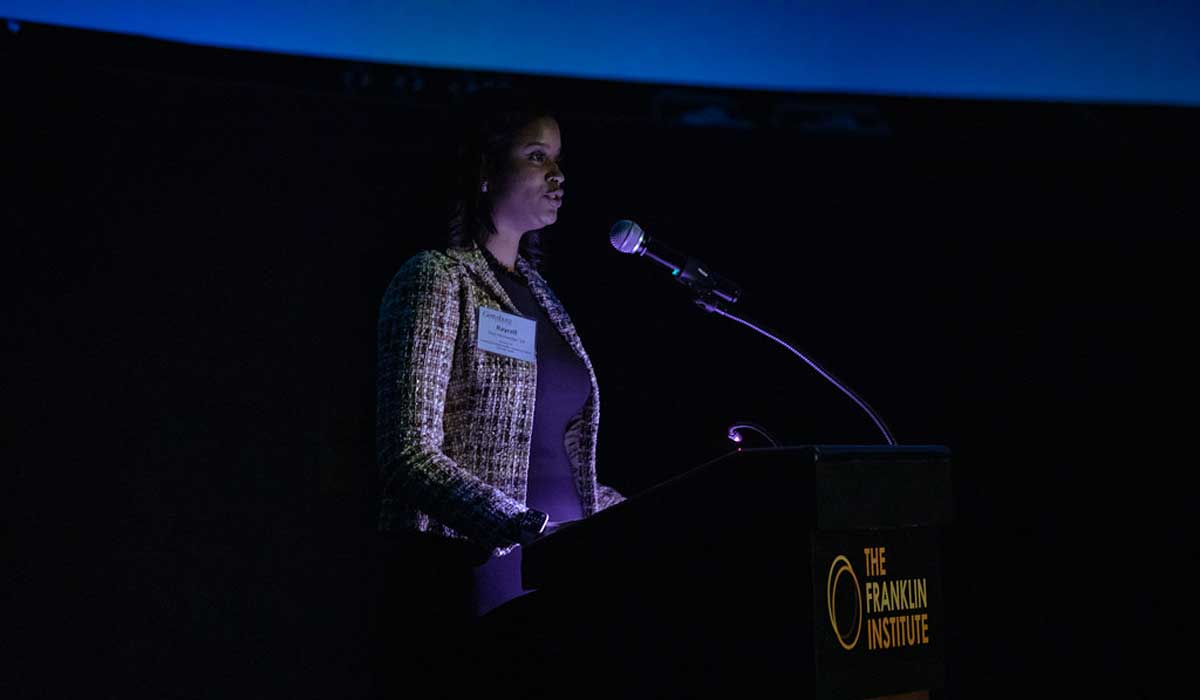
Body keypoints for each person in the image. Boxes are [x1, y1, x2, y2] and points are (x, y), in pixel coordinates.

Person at [373, 87, 625, 697]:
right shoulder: (437, 279)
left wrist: (650, 511)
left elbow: (567, 469)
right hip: (477, 576)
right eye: (538, 155)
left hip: (567, 586)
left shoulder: (544, 297)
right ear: (486, 171)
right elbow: (408, 454)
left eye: (559, 157)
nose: (558, 173)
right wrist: (528, 528)